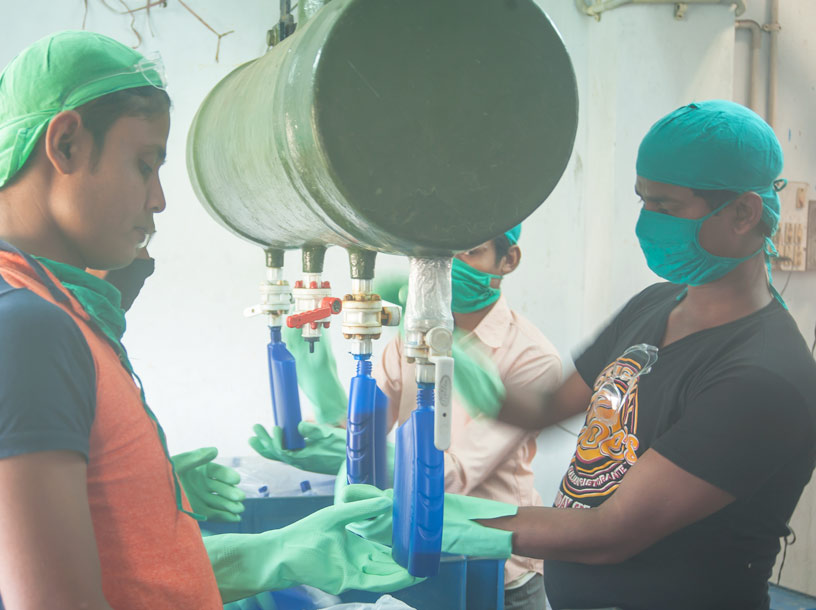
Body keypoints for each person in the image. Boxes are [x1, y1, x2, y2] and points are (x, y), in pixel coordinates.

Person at [0, 30, 415, 610]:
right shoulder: (18, 331)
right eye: (144, 164)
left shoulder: (22, 306)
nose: (158, 199)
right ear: (67, 145)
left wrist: (148, 495)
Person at [347, 100, 816, 610]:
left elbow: (609, 533)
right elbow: (547, 408)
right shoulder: (657, 305)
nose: (645, 223)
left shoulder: (763, 377)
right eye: (643, 202)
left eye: (666, 208)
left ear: (743, 213)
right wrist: (451, 345)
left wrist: (433, 520)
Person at [252, 226, 562, 610]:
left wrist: (364, 454)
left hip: (498, 571)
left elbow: (456, 474)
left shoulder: (532, 358)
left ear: (507, 259)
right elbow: (365, 428)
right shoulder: (410, 338)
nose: (452, 267)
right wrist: (326, 398)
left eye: (471, 252)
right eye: (444, 255)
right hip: (412, 552)